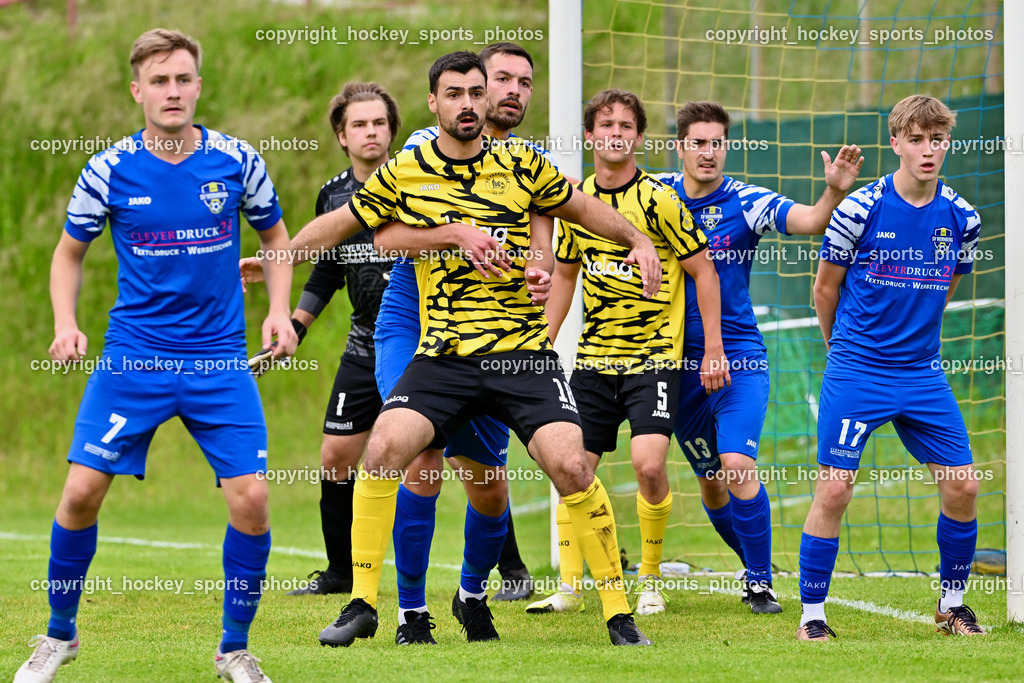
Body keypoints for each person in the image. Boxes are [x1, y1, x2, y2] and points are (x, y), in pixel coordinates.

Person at [270, 51, 662, 646]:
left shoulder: (523, 162)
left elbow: (578, 209)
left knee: (568, 465)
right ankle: (369, 606)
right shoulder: (410, 166)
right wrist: (279, 256)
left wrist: (636, 237)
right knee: (387, 451)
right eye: (455, 93)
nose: (469, 103)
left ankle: (617, 615)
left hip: (520, 352)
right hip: (442, 353)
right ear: (434, 103)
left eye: (477, 92)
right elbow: (352, 224)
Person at [16, 29, 296, 683]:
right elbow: (68, 252)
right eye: (160, 81)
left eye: (184, 79)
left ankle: (234, 648)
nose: (173, 91)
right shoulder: (108, 169)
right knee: (81, 492)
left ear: (199, 85)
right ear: (137, 90)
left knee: (252, 499)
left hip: (219, 361)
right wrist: (65, 323)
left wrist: (279, 310)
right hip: (133, 361)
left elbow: (275, 236)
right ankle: (58, 635)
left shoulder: (237, 160)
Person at [655, 102, 863, 613]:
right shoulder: (653, 195)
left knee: (735, 461)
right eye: (698, 143)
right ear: (679, 146)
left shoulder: (747, 201)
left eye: (717, 143)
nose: (708, 153)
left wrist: (834, 189)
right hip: (674, 361)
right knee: (710, 478)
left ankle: (760, 581)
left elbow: (813, 221)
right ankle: (753, 564)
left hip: (738, 356)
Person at [797, 94, 985, 640]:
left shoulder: (963, 218)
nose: (929, 150)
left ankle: (952, 606)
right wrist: (843, 353)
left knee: (965, 487)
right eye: (918, 139)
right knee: (834, 490)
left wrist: (913, 348)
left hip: (922, 374)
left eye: (939, 139)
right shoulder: (860, 208)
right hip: (857, 370)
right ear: (896, 143)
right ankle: (813, 617)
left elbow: (944, 291)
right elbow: (824, 288)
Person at [380, 43, 553, 627]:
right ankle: (409, 611)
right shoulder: (424, 150)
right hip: (417, 321)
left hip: (497, 334)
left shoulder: (528, 162)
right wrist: (455, 234)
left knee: (488, 487)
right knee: (420, 454)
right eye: (499, 79)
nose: (511, 91)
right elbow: (382, 229)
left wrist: (540, 267)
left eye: (523, 83)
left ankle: (472, 596)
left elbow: (549, 219)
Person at [536, 89, 726, 617]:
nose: (616, 132)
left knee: (648, 466)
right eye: (605, 124)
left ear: (639, 137)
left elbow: (703, 271)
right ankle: (571, 587)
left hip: (653, 359)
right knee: (569, 466)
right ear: (591, 136)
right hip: (593, 363)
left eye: (626, 124)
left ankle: (648, 578)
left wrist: (712, 347)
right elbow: (566, 277)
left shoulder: (660, 200)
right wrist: (541, 345)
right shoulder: (576, 204)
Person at [253, 83, 400, 597]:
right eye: (359, 124)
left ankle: (512, 569)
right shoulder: (332, 196)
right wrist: (294, 326)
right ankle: (340, 575)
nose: (370, 132)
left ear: (391, 130)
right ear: (342, 135)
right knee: (336, 456)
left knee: (459, 460)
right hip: (364, 346)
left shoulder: (418, 182)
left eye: (379, 123)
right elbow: (326, 274)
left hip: (421, 345)